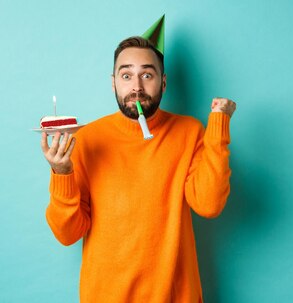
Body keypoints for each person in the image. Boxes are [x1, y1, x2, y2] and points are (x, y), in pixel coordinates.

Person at [40, 33, 236, 302]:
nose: (137, 87)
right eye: (126, 75)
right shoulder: (87, 140)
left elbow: (209, 204)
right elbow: (67, 234)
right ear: (113, 84)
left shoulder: (189, 133)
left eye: (147, 75)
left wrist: (218, 125)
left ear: (163, 82)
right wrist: (62, 173)